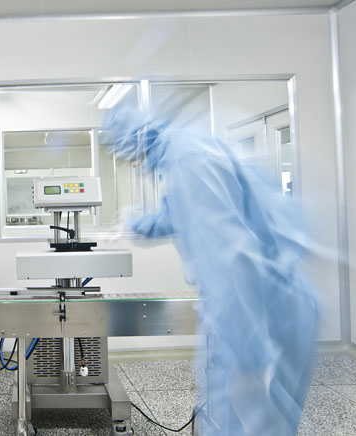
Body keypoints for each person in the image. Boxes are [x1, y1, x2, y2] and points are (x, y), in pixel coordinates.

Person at [101, 104, 318, 436]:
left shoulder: (187, 162)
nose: (130, 160)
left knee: (236, 417)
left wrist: (247, 356)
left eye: (124, 150)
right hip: (282, 298)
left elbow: (230, 254)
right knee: (272, 420)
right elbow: (180, 215)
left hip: (253, 307)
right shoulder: (187, 149)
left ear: (135, 139)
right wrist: (134, 222)